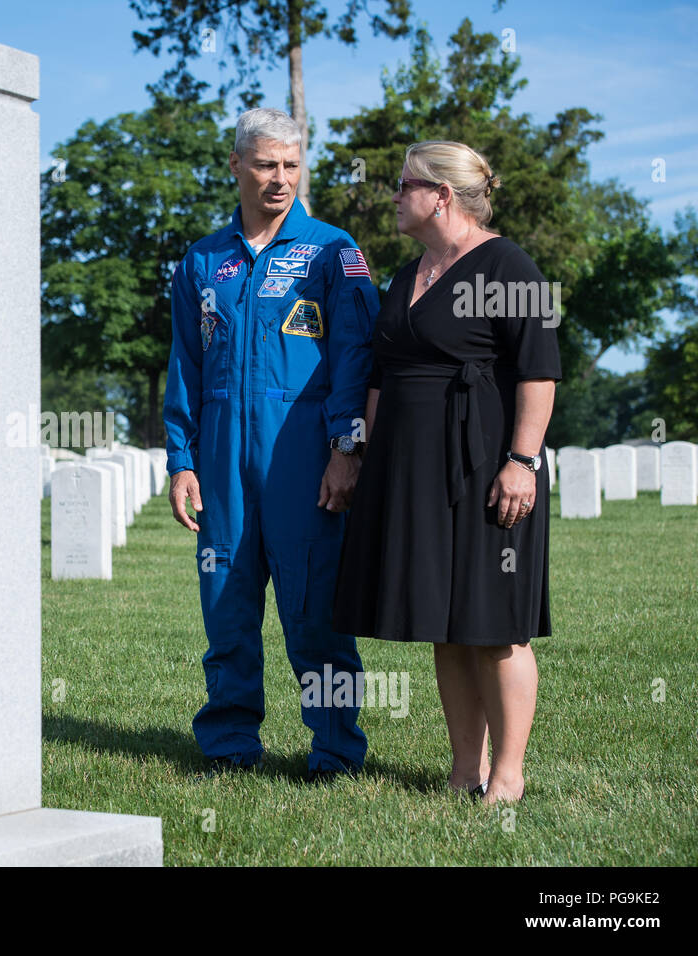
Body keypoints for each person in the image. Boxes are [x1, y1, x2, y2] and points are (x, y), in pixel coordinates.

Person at [332, 141, 560, 805]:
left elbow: (539, 371)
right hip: (412, 473)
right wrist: (366, 456)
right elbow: (380, 374)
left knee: (494, 625)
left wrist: (522, 462)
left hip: (485, 465)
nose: (394, 196)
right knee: (446, 622)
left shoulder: (508, 264)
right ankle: (466, 769)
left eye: (405, 186)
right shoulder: (408, 275)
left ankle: (509, 775)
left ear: (442, 195)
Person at [164, 108, 380, 781]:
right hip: (223, 458)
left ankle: (336, 750)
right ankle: (229, 744)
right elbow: (185, 367)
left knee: (315, 614)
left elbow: (358, 357)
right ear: (236, 166)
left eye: (290, 165)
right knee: (226, 607)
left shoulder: (331, 251)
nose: (279, 178)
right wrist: (182, 459)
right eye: (265, 164)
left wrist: (348, 449)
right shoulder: (203, 260)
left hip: (304, 457)